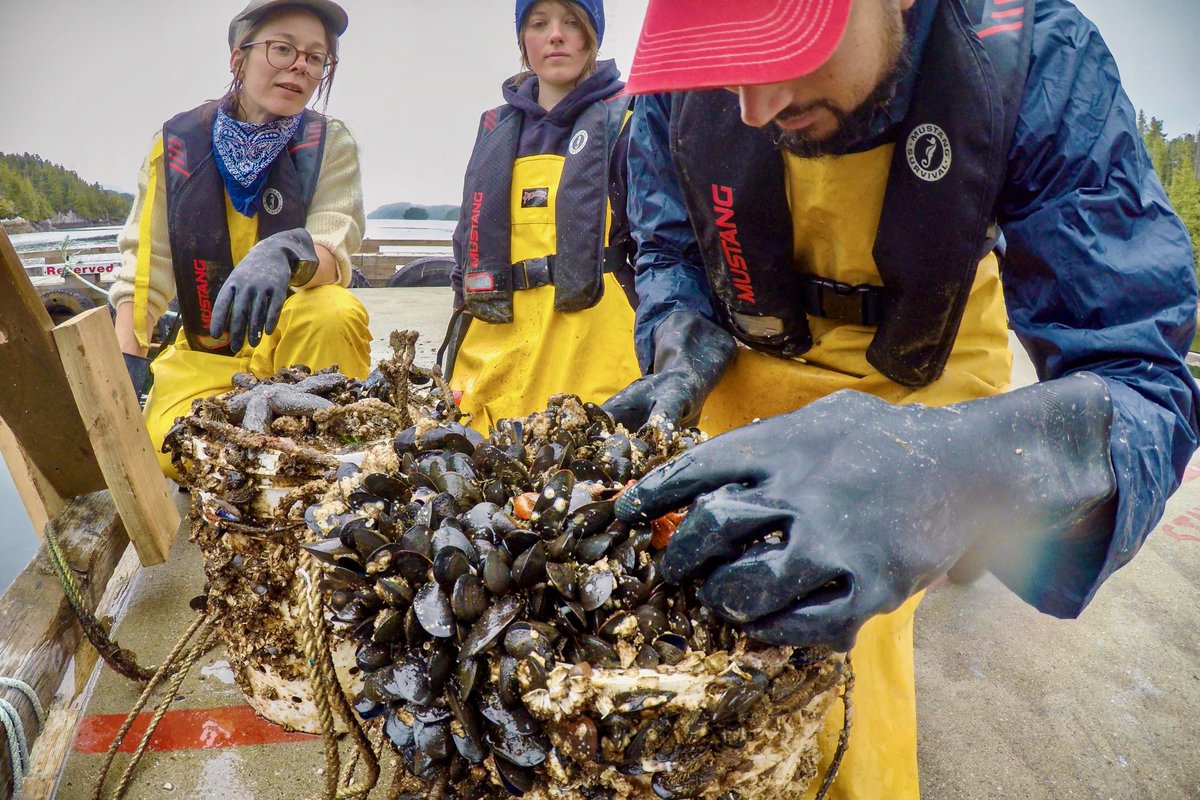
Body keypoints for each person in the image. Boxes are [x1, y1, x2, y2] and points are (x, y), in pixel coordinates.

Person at [603, 0, 1200, 797]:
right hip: (757, 351)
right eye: (723, 61)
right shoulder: (687, 92)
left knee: (843, 644)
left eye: (785, 47)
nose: (753, 107)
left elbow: (1145, 386)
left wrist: (954, 474)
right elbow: (665, 232)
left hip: (926, 367)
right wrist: (676, 328)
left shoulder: (1037, 56)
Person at [112, 0, 369, 476]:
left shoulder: (330, 142)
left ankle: (314, 453)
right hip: (208, 353)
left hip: (295, 352)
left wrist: (286, 250)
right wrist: (124, 369)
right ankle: (271, 465)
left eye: (316, 57)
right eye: (281, 49)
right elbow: (145, 268)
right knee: (169, 448)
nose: (300, 65)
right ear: (238, 58)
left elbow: (334, 249)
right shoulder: (176, 143)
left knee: (333, 309)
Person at [441, 0, 641, 433]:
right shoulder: (493, 128)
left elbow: (655, 248)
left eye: (572, 22)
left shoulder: (628, 119)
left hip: (595, 332)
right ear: (522, 39)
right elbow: (465, 248)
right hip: (496, 331)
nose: (556, 35)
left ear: (592, 35)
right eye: (539, 23)